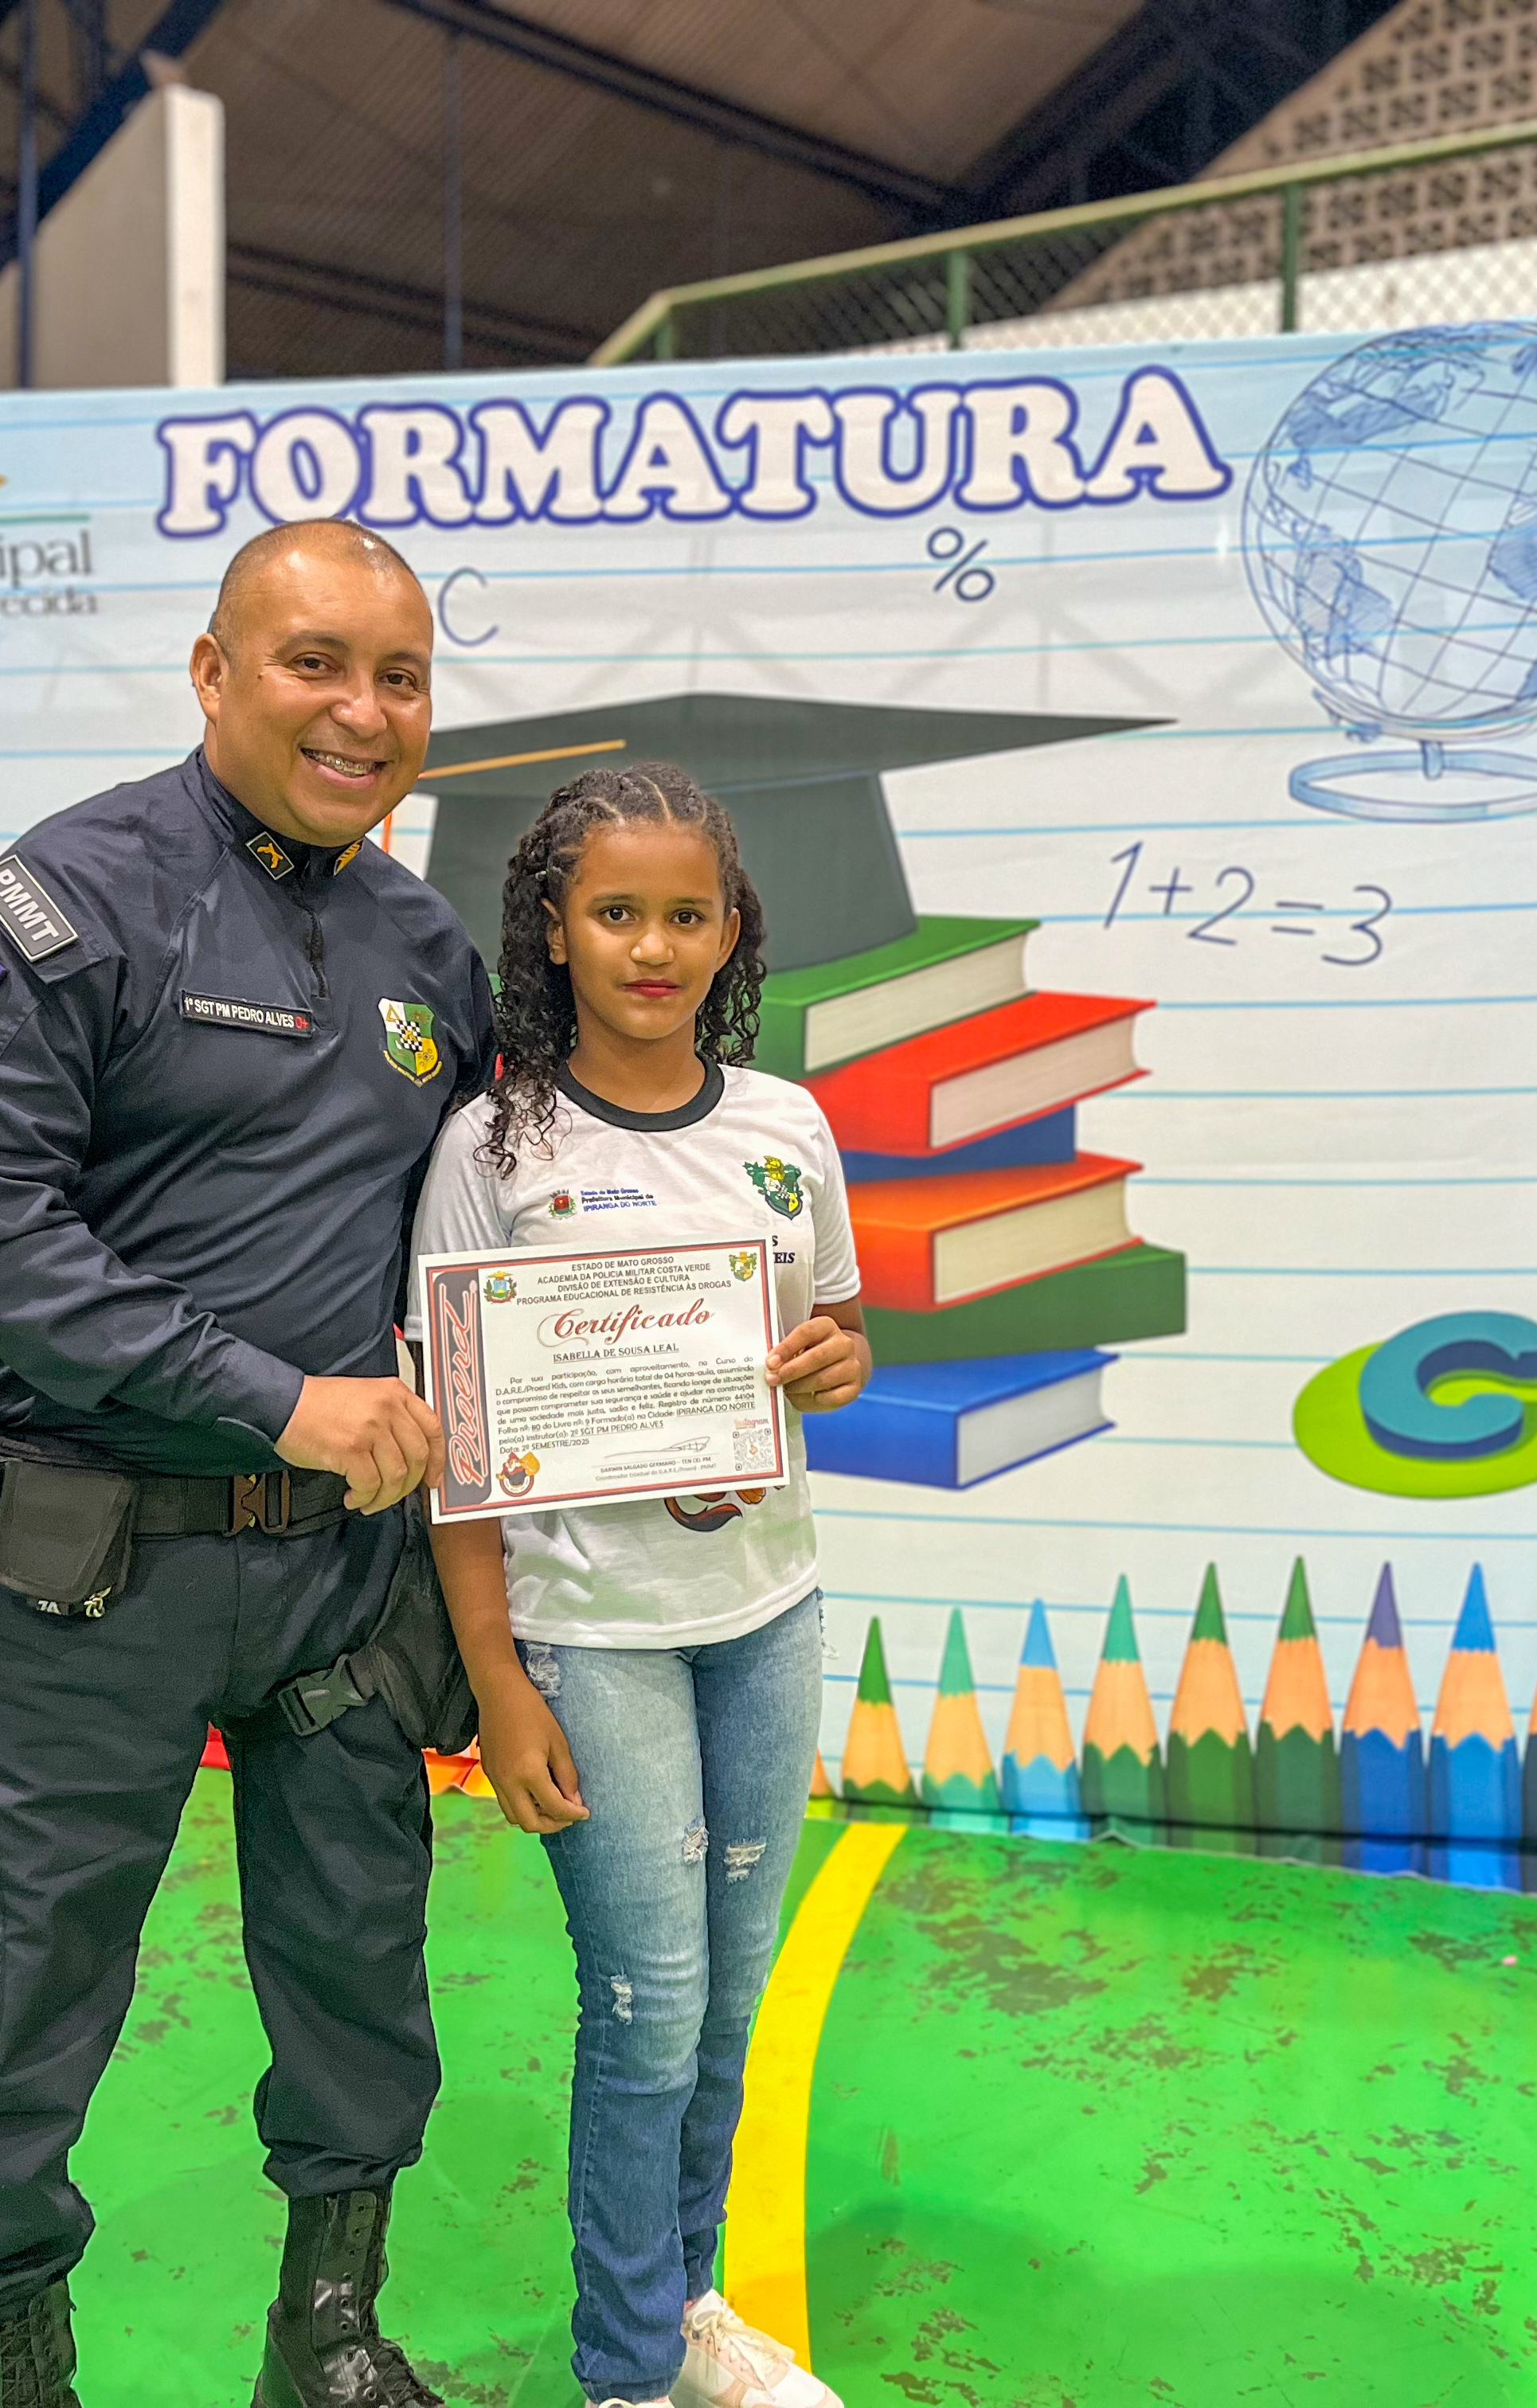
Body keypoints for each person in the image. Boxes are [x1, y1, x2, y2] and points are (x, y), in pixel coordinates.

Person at [0, 519, 493, 2408]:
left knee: (361, 1963)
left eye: (400, 677)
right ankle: (21, 2380)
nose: (362, 712)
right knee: (16, 1995)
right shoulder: (57, 913)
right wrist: (274, 1397)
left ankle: (329, 2334)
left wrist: (735, 1352)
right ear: (214, 672)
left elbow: (511, 1218)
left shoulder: (428, 947)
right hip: (78, 1582)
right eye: (316, 663)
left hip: (337, 1577)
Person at [407, 765, 872, 2408]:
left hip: (767, 1615)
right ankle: (621, 2371)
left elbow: (838, 1328)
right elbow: (460, 1445)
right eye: (617, 912)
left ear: (733, 930)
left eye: (688, 914)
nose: (653, 946)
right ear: (555, 929)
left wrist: (836, 1360)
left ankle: (688, 2315)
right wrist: (497, 1677)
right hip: (591, 1638)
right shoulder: (492, 1146)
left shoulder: (785, 1126)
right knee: (646, 2007)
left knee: (725, 2009)